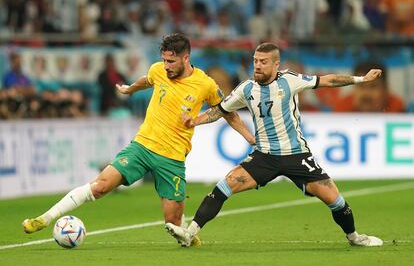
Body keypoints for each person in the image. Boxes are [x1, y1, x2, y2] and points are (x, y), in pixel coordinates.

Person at [22, 34, 255, 246]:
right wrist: (130, 89)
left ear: (186, 58)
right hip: (142, 146)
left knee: (173, 224)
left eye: (171, 62)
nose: (166, 66)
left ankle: (186, 234)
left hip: (172, 158)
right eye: (164, 60)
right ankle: (44, 219)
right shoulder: (159, 70)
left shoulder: (205, 84)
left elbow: (225, 111)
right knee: (101, 185)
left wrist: (246, 137)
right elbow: (148, 79)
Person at [165, 43, 383, 247]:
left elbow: (328, 80)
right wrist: (195, 121)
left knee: (335, 200)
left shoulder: (290, 80)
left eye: (263, 62)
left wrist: (362, 79)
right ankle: (189, 233)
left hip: (296, 155)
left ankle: (354, 237)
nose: (257, 65)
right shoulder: (247, 89)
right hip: (265, 156)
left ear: (276, 64)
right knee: (225, 186)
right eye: (255, 61)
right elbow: (221, 110)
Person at [334, 61, 405, 112]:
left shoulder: (396, 107)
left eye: (373, 86)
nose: (366, 93)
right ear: (353, 88)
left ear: (385, 89)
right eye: (361, 86)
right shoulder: (343, 108)